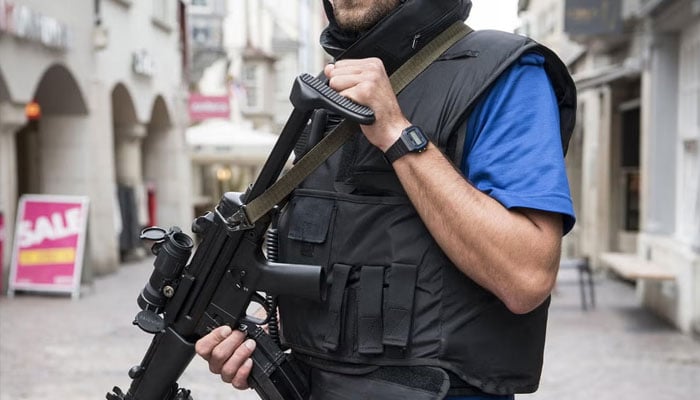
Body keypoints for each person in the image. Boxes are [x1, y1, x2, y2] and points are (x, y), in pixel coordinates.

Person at [195, 0, 577, 399]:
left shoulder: (503, 74)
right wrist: (261, 331)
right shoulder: (328, 95)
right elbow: (345, 262)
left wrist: (397, 133)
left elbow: (527, 278)